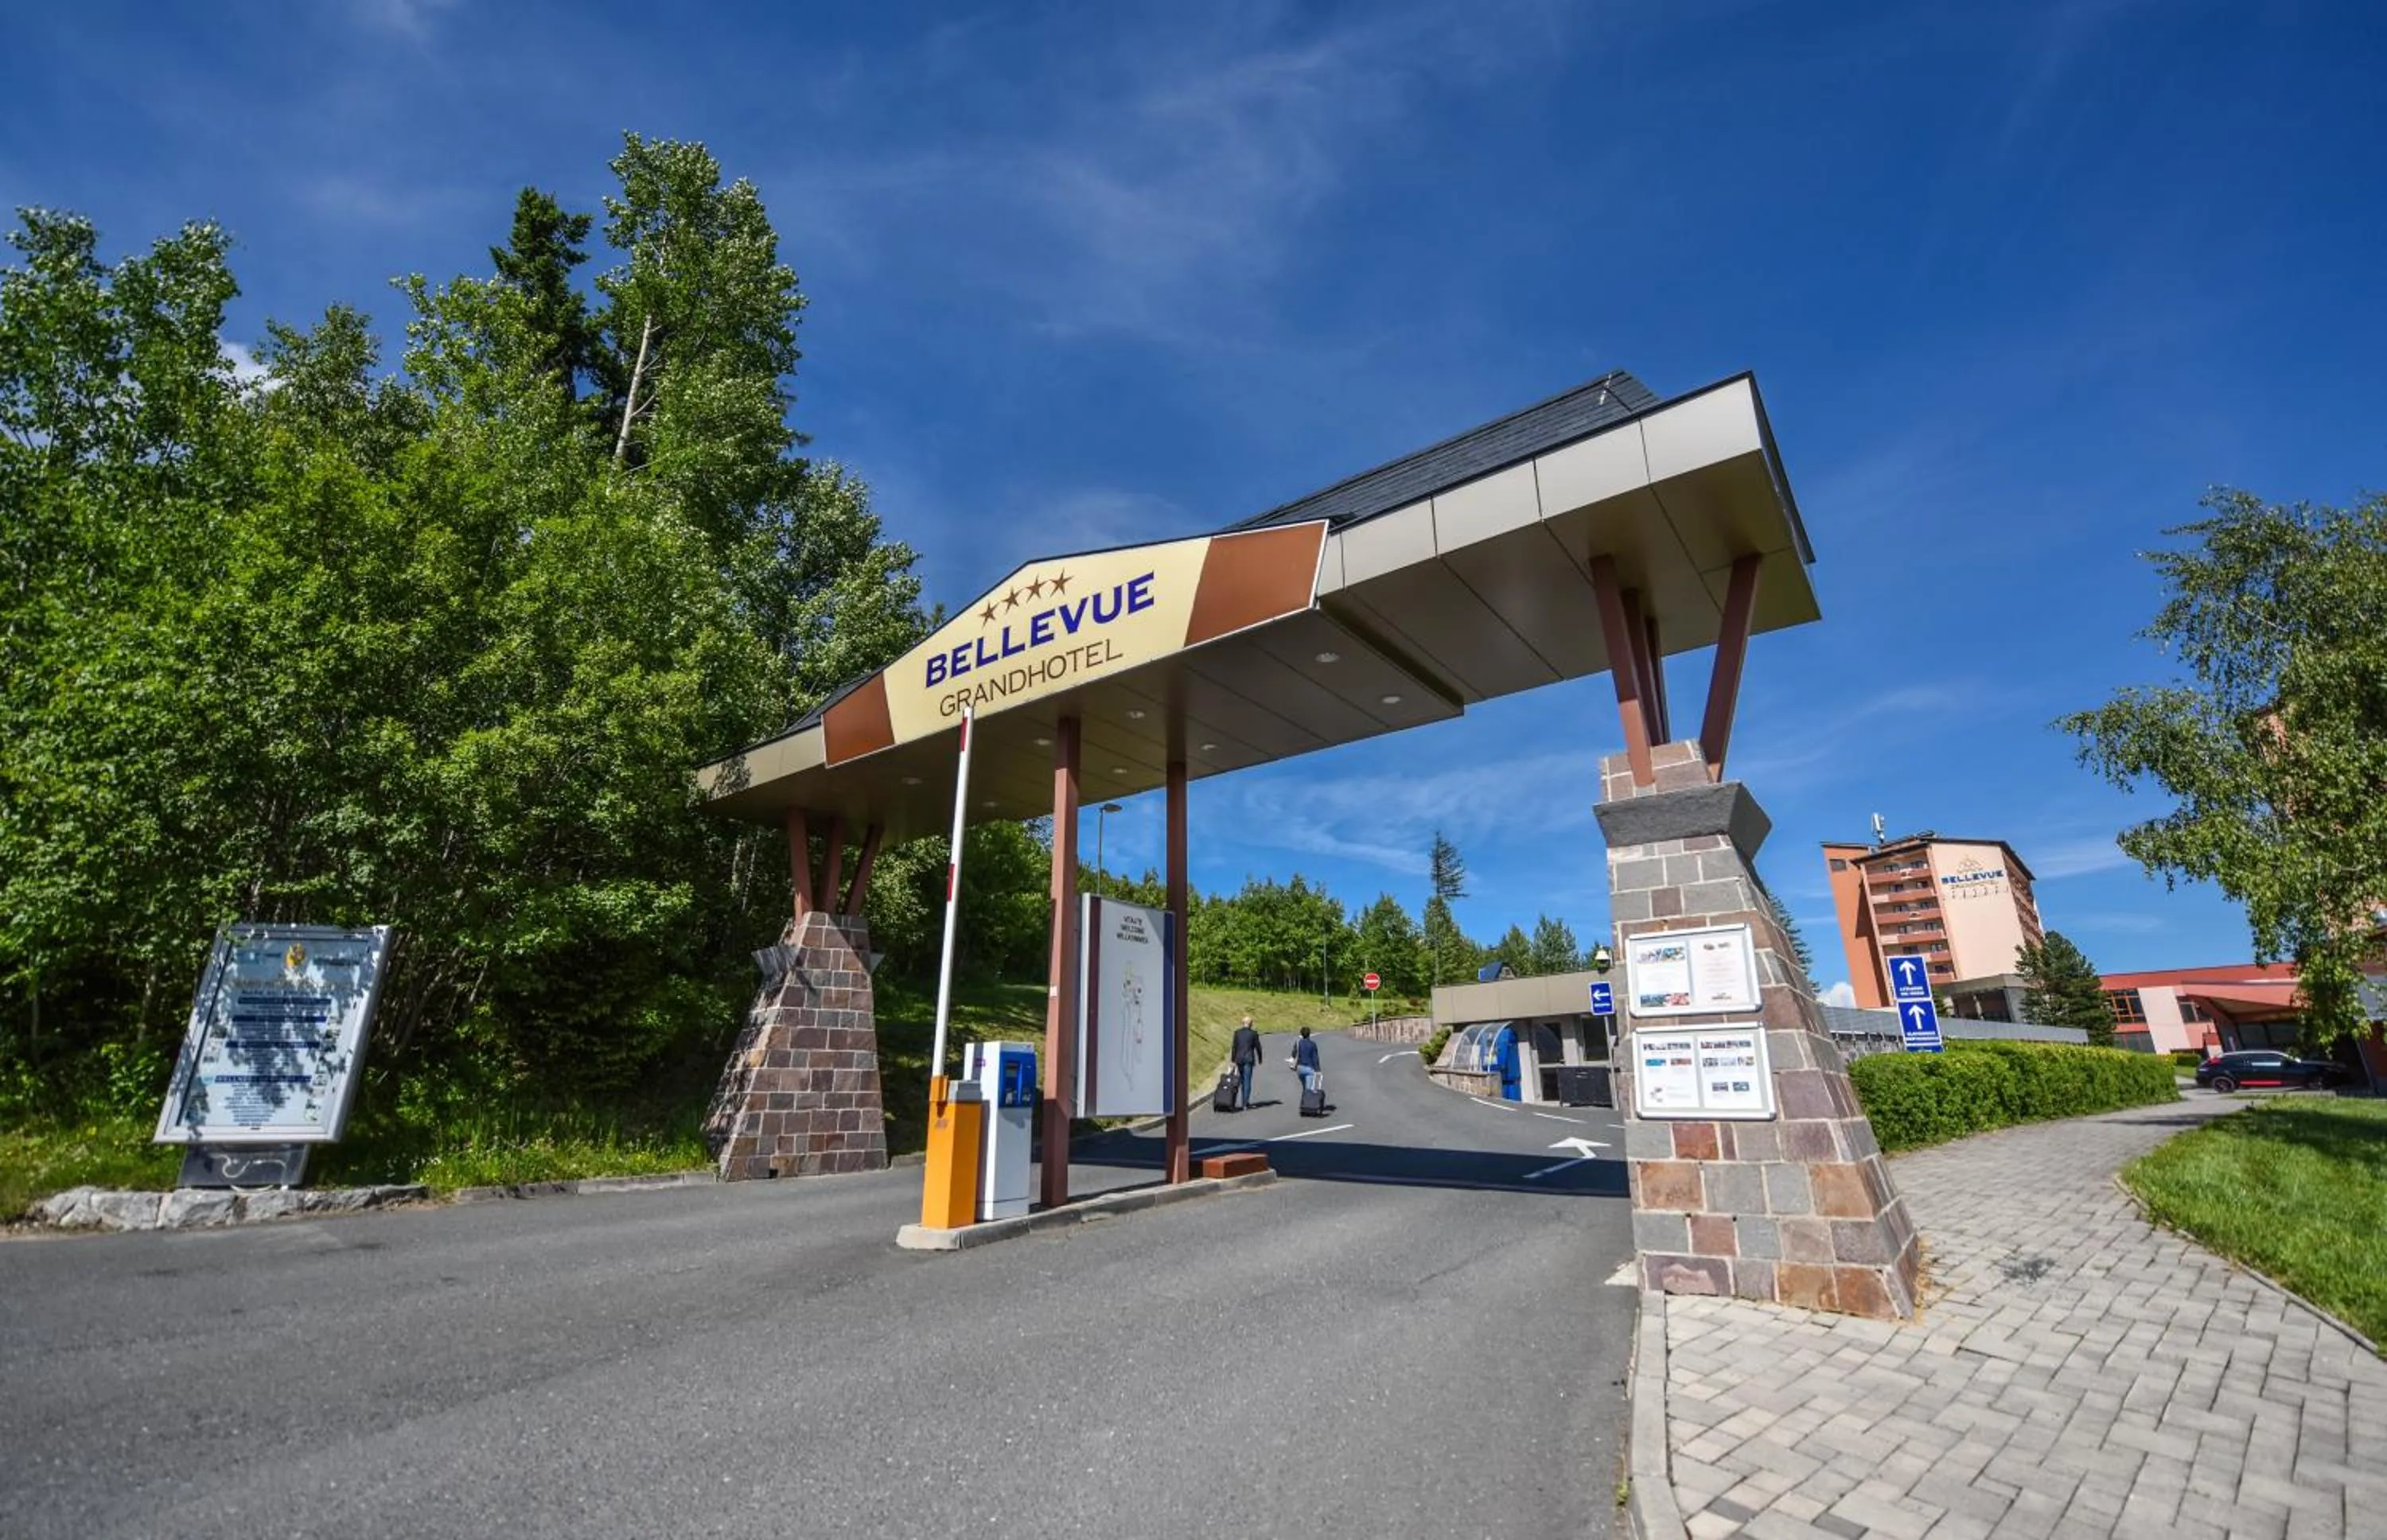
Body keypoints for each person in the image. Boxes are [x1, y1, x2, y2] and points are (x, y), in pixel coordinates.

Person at [1230, 1014, 1264, 1110]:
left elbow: (1234, 1047)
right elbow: (1258, 1047)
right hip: (1248, 1059)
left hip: (1239, 1059)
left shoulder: (1237, 1033)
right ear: (1250, 1024)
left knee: (1241, 1081)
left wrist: (1233, 1060)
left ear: (1243, 1023)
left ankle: (1239, 1101)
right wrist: (1260, 1058)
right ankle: (1245, 1104)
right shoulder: (1253, 1033)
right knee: (1247, 1081)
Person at [1291, 1026, 1321, 1099]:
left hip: (1300, 1068)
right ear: (1309, 1034)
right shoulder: (1312, 1044)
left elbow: (1294, 1054)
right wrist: (1318, 1070)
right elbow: (1315, 1058)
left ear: (1301, 1034)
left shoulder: (1298, 1043)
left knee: (1305, 1087)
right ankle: (1308, 1104)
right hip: (1309, 1068)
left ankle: (1305, 1102)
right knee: (1309, 1089)